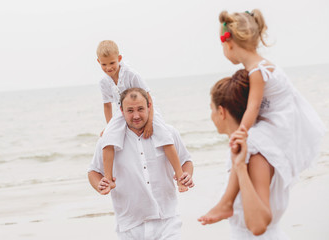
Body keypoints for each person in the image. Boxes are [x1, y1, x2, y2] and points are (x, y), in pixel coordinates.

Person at [199, 9, 326, 225]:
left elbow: (253, 107)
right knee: (247, 143)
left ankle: (227, 202)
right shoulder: (260, 65)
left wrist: (242, 132)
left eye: (221, 46)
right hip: (280, 120)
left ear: (229, 43)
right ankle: (227, 201)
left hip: (278, 124)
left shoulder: (256, 70)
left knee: (247, 142)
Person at [88, 88, 194, 240]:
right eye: (130, 110)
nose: (136, 115)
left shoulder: (169, 133)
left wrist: (187, 176)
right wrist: (100, 185)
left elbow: (186, 161)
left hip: (167, 220)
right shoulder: (108, 140)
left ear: (149, 106)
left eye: (140, 109)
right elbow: (93, 171)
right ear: (121, 110)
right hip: (129, 226)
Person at [96, 40, 187, 194]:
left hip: (146, 109)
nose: (108, 68)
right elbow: (107, 105)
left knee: (164, 135)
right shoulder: (104, 82)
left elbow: (149, 99)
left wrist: (150, 122)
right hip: (122, 111)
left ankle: (179, 176)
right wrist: (109, 126)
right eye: (104, 65)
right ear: (98, 62)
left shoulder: (131, 74)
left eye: (111, 63)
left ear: (119, 58)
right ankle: (109, 179)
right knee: (107, 139)